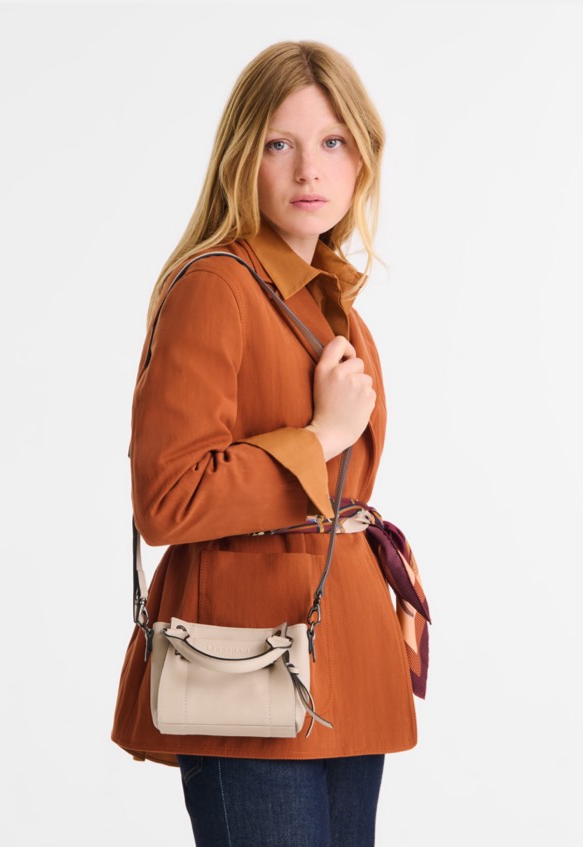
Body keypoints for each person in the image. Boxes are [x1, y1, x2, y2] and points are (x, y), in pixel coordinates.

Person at [112, 40, 425, 847]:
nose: (308, 170)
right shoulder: (216, 285)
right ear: (241, 159)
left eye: (332, 142)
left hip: (343, 649)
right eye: (279, 144)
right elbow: (167, 498)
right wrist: (319, 436)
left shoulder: (333, 302)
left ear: (362, 157)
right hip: (244, 665)